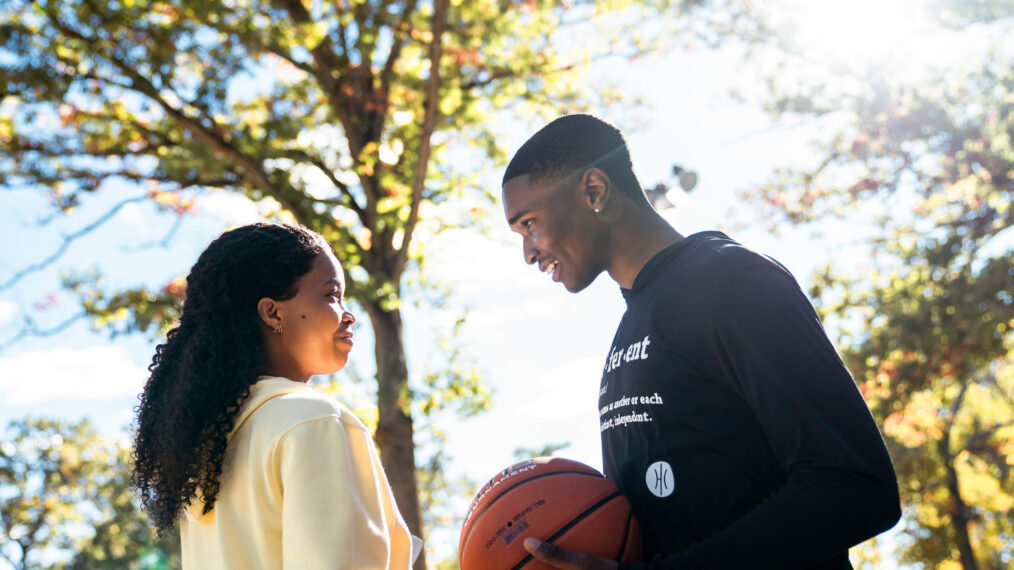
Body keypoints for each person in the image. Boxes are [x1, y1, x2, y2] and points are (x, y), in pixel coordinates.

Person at [500, 114, 901, 569]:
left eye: (530, 223)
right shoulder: (625, 339)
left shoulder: (733, 281)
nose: (528, 253)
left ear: (594, 190)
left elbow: (856, 486)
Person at [131, 223, 419, 569]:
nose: (348, 314)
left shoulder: (208, 451)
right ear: (272, 312)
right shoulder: (314, 421)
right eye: (331, 294)